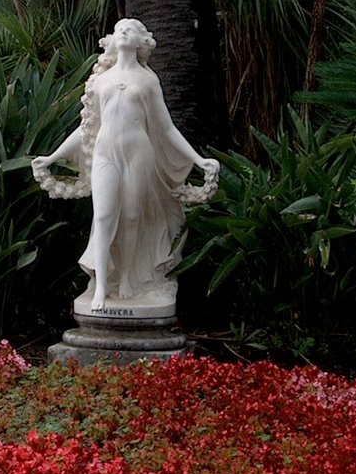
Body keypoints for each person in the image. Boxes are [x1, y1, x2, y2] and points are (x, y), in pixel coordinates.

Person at [32, 19, 219, 312]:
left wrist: (198, 159)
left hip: (139, 153)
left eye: (130, 29)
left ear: (140, 42)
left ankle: (128, 276)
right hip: (106, 152)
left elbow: (167, 128)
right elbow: (87, 128)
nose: (122, 31)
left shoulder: (148, 81)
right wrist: (54, 156)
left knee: (132, 216)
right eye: (119, 28)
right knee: (104, 215)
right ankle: (103, 285)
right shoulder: (101, 80)